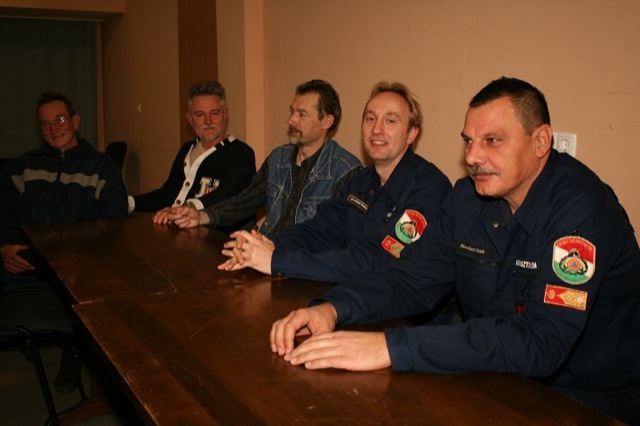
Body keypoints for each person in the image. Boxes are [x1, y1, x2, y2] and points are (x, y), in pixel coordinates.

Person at [269, 77, 640, 424]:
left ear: (541, 141)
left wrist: (391, 347)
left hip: (589, 393)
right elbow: (412, 277)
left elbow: (541, 341)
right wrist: (333, 307)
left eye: (492, 141)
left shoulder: (581, 208)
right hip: (496, 374)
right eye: (468, 141)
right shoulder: (467, 198)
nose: (473, 156)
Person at [218, 81, 452, 288]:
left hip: (404, 316)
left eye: (390, 121)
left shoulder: (429, 188)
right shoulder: (362, 180)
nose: (376, 129)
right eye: (370, 119)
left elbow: (378, 260)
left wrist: (278, 261)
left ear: (412, 134)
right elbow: (321, 230)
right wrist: (266, 245)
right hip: (353, 296)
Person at [0, 91, 128, 392]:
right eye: (45, 124)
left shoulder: (101, 167)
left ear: (75, 121)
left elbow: (114, 225)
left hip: (78, 271)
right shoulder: (21, 167)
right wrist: (4, 246)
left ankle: (72, 353)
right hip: (27, 263)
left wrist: (78, 256)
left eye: (59, 120)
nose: (53, 128)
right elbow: (4, 211)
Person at [154, 79, 362, 238]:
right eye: (291, 111)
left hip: (303, 269)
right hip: (266, 256)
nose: (291, 120)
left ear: (326, 121)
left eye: (301, 114)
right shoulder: (278, 158)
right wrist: (202, 216)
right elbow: (246, 200)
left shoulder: (346, 171)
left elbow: (336, 237)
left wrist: (272, 251)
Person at [129, 81, 256, 232]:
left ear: (226, 114)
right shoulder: (186, 149)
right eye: (200, 115)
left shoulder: (242, 154)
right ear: (189, 118)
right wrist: (129, 202)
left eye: (215, 113)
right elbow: (167, 194)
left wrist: (182, 209)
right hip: (175, 233)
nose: (208, 121)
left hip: (216, 239)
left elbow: (226, 195)